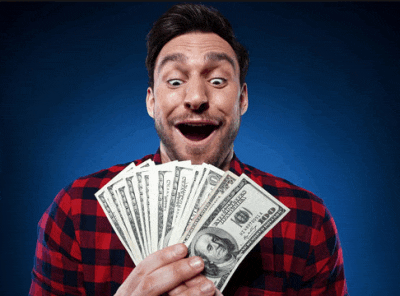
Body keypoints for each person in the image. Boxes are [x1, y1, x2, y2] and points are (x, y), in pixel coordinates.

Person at [29, 3, 349, 296]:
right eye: (175, 81)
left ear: (243, 100)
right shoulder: (76, 210)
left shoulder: (307, 221)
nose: (196, 97)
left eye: (218, 80)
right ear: (152, 101)